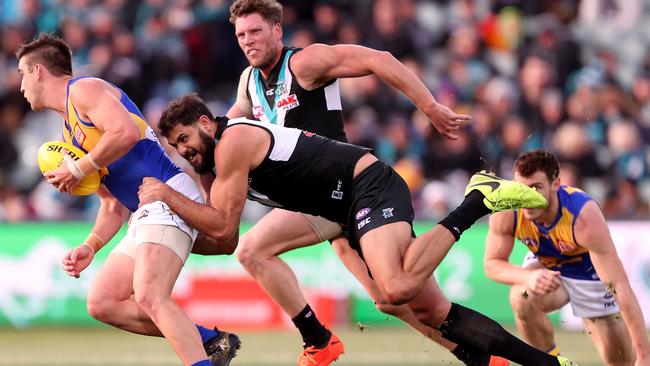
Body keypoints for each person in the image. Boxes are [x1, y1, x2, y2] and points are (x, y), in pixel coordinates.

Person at [139, 93, 579, 366]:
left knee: (397, 286)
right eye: (175, 147)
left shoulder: (231, 143)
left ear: (205, 124)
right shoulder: (212, 164)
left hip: (366, 185)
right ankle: (545, 365)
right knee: (424, 309)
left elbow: (220, 223)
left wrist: (165, 198)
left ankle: (476, 200)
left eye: (184, 139)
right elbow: (226, 238)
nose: (183, 151)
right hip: (343, 207)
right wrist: (171, 243)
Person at [197, 0, 508, 364]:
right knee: (391, 300)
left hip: (343, 187)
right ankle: (482, 358)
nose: (248, 40)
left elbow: (380, 59)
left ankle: (317, 339)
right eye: (240, 35)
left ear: (277, 30)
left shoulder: (304, 63)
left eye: (255, 31)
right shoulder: (248, 83)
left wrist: (429, 106)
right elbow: (223, 131)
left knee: (252, 250)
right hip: (318, 201)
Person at [15, 34, 240, 366]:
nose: (19, 85)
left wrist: (80, 167)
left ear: (37, 71)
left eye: (21, 73)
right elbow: (112, 204)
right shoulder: (70, 130)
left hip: (167, 193)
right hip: (144, 210)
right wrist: (90, 246)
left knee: (150, 295)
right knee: (102, 302)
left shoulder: (83, 90)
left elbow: (126, 132)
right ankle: (210, 340)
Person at [484, 150, 650, 366]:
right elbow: (491, 264)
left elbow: (618, 285)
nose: (526, 198)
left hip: (590, 274)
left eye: (535, 188)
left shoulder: (583, 215)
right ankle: (551, 363)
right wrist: (527, 278)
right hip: (547, 269)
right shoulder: (507, 210)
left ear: (556, 184)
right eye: (520, 189)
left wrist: (644, 355)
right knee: (521, 296)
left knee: (620, 363)